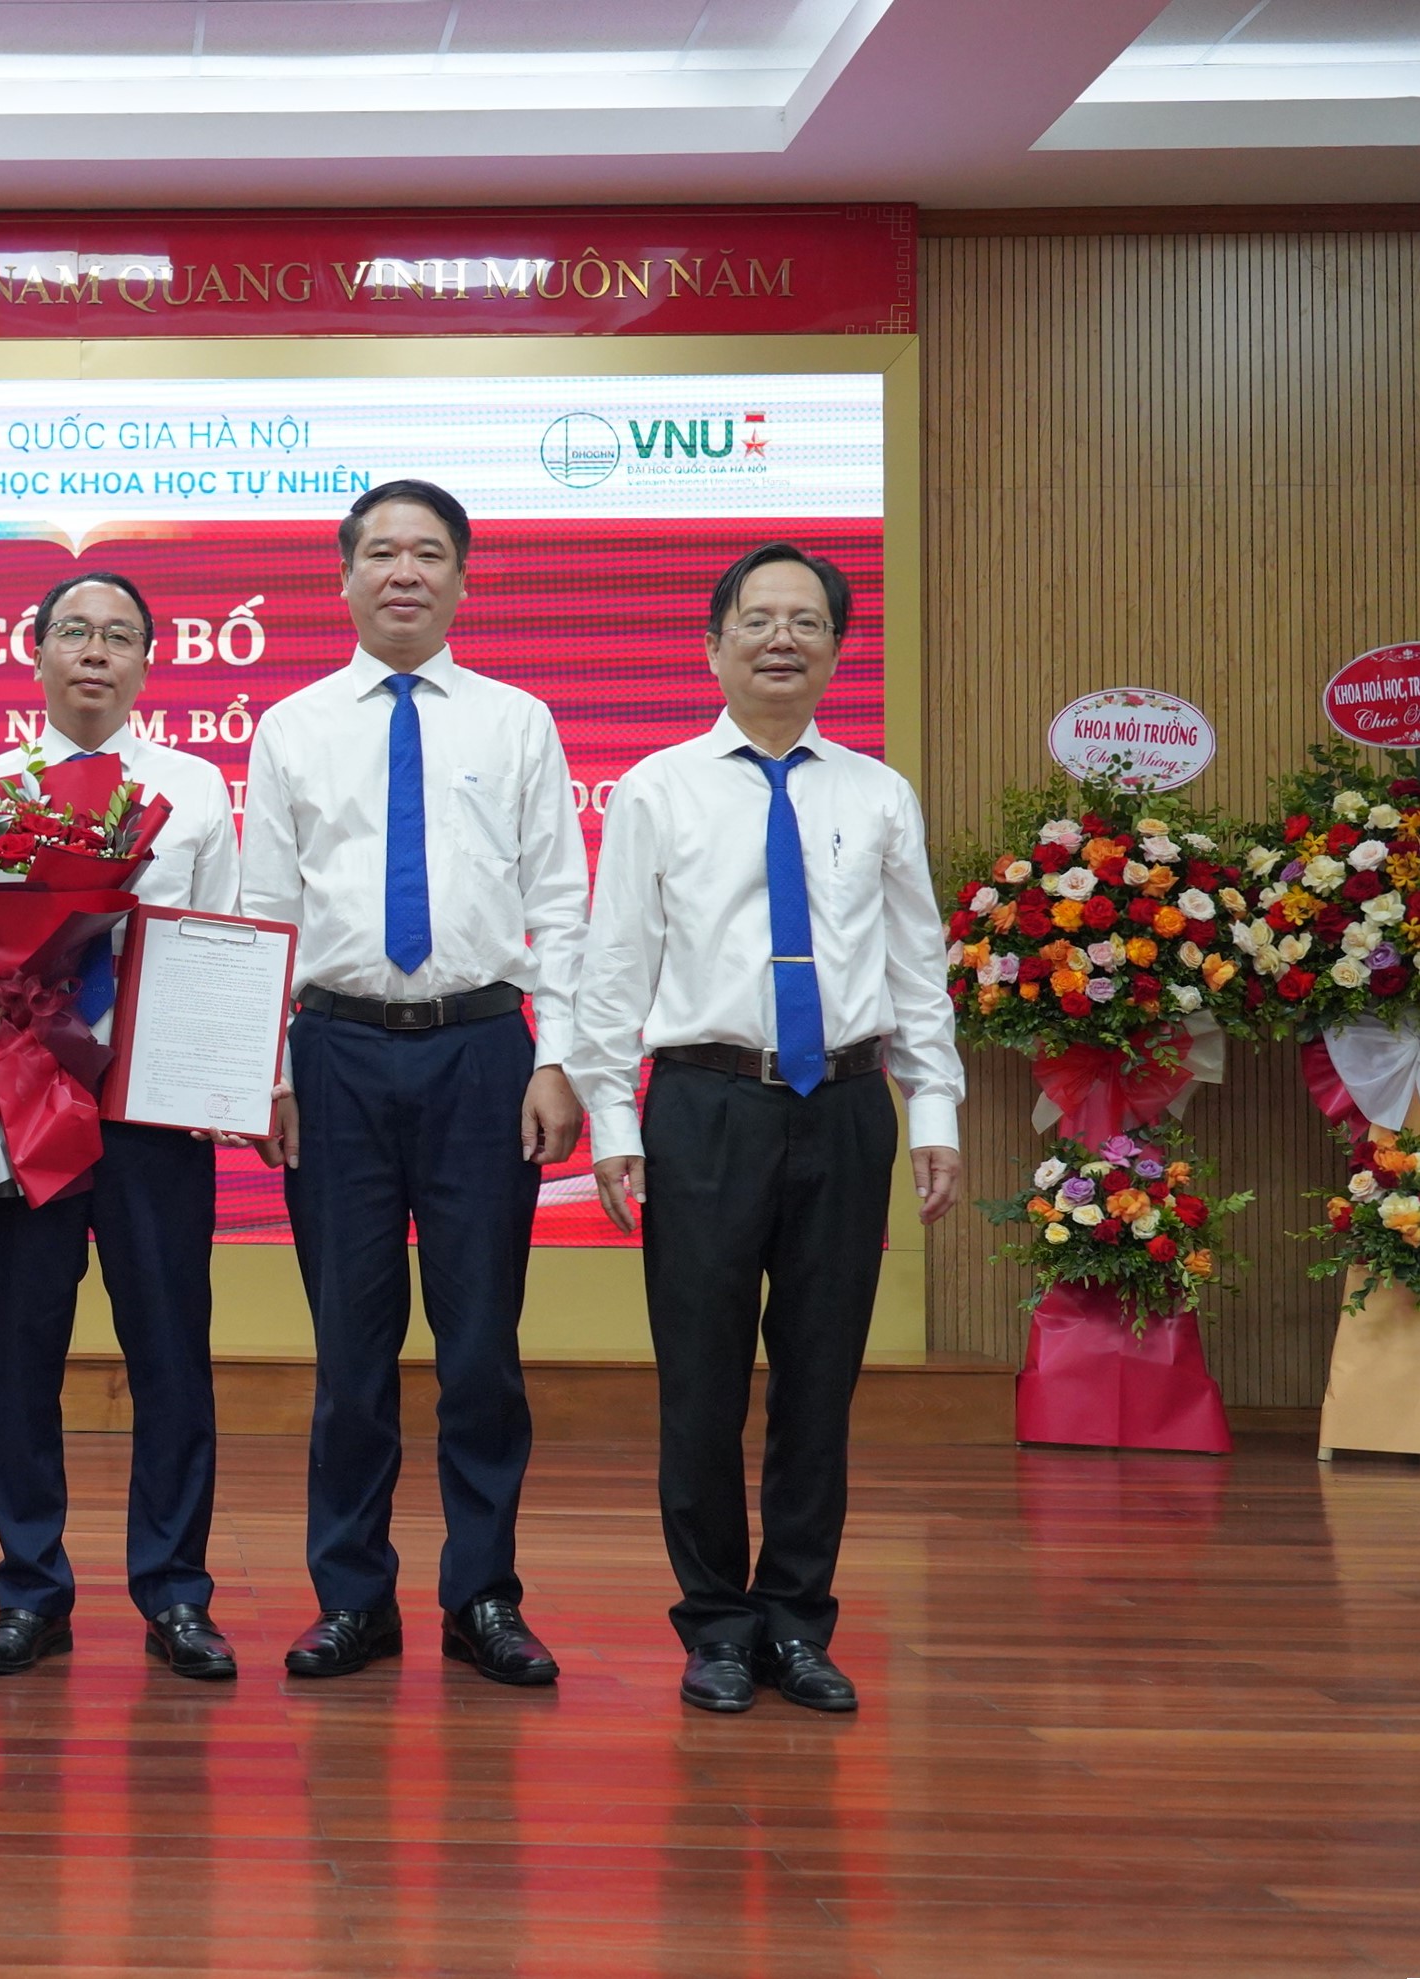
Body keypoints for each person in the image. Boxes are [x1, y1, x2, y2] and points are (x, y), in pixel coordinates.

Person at [568, 544, 963, 1716]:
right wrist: (611, 1116)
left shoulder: (878, 793)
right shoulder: (657, 788)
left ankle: (796, 1618)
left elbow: (916, 963)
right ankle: (716, 1624)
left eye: (806, 621)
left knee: (819, 1380)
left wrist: (934, 1106)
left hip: (844, 1104)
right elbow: (614, 964)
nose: (781, 638)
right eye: (758, 618)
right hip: (705, 1105)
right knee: (700, 1380)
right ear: (715, 644)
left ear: (837, 649)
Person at [240, 480, 587, 1685]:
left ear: (462, 580)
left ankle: (483, 1595)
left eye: (428, 553)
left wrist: (558, 1058)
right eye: (381, 552)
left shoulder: (518, 721)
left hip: (483, 1053)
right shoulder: (290, 726)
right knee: (351, 1349)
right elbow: (264, 909)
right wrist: (267, 1069)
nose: (404, 572)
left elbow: (561, 907)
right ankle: (353, 1597)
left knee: (481, 1346)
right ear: (343, 579)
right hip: (333, 1055)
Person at [0, 572, 243, 1682]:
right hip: (19, 1105)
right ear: (36, 651)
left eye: (119, 635)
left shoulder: (194, 789)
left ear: (148, 660)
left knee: (171, 1356)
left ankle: (176, 1591)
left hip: (151, 1107)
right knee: (19, 1359)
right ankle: (30, 1591)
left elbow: (224, 940)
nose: (95, 651)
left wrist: (237, 1081)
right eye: (74, 632)